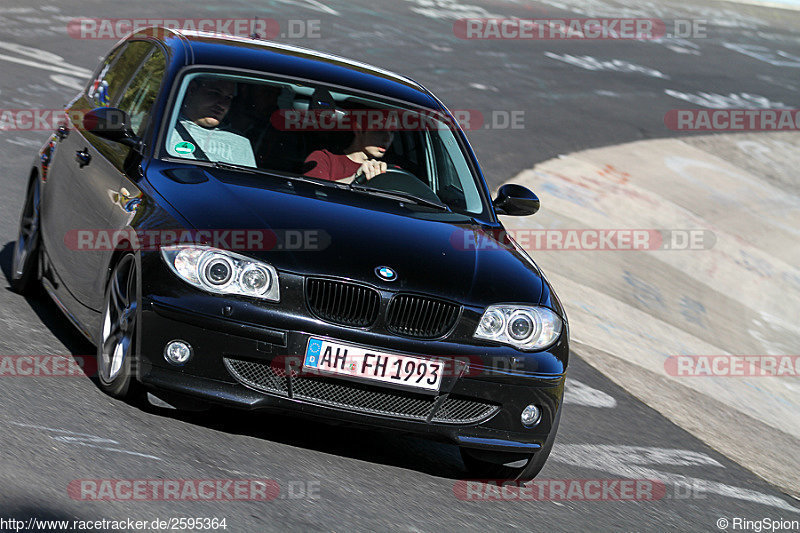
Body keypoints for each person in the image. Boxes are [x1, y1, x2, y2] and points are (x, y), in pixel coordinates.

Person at [167, 76, 256, 167]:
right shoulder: (164, 128)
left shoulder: (240, 143)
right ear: (192, 89)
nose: (222, 105)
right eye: (215, 93)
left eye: (228, 98)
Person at [304, 129, 394, 183]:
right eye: (380, 131)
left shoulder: (392, 170)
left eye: (392, 132)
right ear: (358, 129)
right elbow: (312, 195)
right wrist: (356, 179)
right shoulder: (324, 159)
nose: (387, 138)